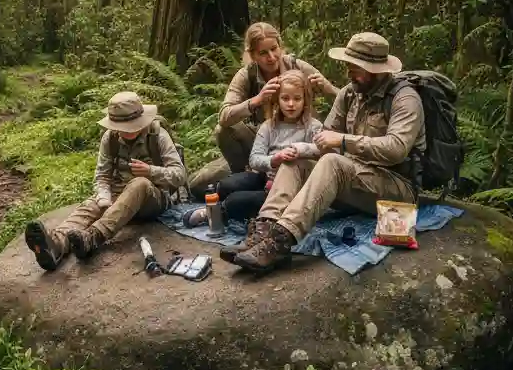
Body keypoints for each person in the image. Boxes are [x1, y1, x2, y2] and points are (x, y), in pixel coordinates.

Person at [233, 32, 426, 275]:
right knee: (299, 162)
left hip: (396, 188)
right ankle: (263, 231)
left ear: (376, 69)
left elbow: (397, 149)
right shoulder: (350, 93)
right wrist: (304, 148)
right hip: (354, 179)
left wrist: (343, 141)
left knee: (333, 162)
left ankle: (280, 241)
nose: (349, 72)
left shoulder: (405, 98)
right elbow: (326, 136)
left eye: (355, 67)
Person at [24, 91, 187, 270]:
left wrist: (150, 171)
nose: (126, 131)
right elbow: (102, 175)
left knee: (139, 183)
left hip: (153, 199)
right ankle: (56, 245)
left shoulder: (158, 135)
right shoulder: (110, 139)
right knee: (90, 206)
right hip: (118, 196)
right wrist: (104, 197)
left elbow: (179, 175)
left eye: (130, 126)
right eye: (121, 127)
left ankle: (92, 238)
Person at [183, 69, 323, 241]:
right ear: (277, 100)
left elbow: (322, 149)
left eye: (297, 99)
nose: (291, 104)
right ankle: (217, 202)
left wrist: (300, 149)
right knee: (227, 185)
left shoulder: (313, 126)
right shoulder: (269, 126)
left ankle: (219, 212)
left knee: (237, 200)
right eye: (285, 98)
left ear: (306, 100)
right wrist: (274, 159)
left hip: (288, 189)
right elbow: (255, 159)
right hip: (265, 177)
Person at [206, 22, 338, 183]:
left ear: (280, 46)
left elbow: (344, 98)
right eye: (263, 53)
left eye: (274, 49)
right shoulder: (247, 76)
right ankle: (247, 176)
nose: (271, 57)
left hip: (301, 137)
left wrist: (327, 88)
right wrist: (256, 100)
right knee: (222, 133)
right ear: (253, 55)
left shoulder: (296, 66)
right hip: (264, 140)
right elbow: (224, 116)